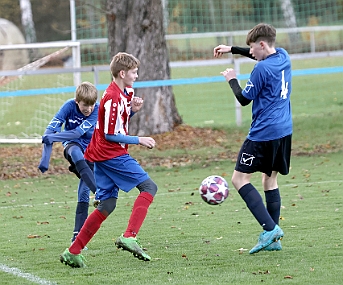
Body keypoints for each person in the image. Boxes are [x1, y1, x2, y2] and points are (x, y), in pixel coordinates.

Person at [59, 52, 158, 268]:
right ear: (122, 73)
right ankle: (129, 236)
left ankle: (73, 251)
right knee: (149, 187)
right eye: (134, 72)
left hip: (102, 153)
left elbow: (117, 123)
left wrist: (132, 111)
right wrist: (138, 139)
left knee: (108, 204)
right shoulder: (112, 97)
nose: (137, 75)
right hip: (110, 153)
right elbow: (110, 134)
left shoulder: (125, 91)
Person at [213, 23, 292, 254]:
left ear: (262, 44)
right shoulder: (284, 56)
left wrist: (231, 79)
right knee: (270, 180)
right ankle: (274, 239)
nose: (252, 54)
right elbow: (255, 53)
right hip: (284, 130)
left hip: (263, 133)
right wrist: (232, 49)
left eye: (252, 49)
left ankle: (270, 230)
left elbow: (244, 99)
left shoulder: (261, 70)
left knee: (239, 179)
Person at [38, 81, 100, 246]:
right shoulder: (68, 106)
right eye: (85, 105)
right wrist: (45, 159)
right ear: (77, 101)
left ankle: (77, 239)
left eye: (91, 104)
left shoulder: (97, 109)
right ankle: (98, 191)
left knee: (83, 194)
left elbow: (78, 132)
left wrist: (54, 137)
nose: (89, 108)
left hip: (92, 153)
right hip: (73, 146)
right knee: (74, 152)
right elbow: (49, 131)